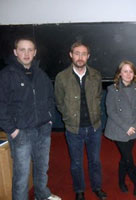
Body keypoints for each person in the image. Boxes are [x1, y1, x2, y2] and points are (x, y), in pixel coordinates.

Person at [0, 37, 61, 200]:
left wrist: (49, 119)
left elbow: (50, 98)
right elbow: (1, 106)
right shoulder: (6, 75)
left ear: (34, 53)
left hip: (42, 130)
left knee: (42, 169)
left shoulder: (41, 75)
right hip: (21, 133)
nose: (26, 53)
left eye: (30, 50)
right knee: (21, 175)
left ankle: (42, 195)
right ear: (15, 52)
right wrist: (12, 131)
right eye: (22, 49)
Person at [54, 41, 107, 200]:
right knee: (76, 162)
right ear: (71, 55)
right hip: (73, 129)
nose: (80, 57)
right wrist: (68, 116)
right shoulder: (61, 77)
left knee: (95, 161)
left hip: (94, 127)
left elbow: (98, 97)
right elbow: (59, 102)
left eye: (84, 54)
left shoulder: (96, 75)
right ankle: (79, 190)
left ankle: (97, 187)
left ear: (88, 56)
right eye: (77, 53)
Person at [104, 60, 136, 196]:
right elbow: (111, 111)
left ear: (134, 74)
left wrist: (133, 126)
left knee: (124, 157)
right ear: (120, 73)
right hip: (118, 129)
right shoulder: (112, 89)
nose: (128, 74)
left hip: (133, 129)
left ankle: (121, 181)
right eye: (125, 71)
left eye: (131, 71)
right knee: (128, 158)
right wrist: (126, 127)